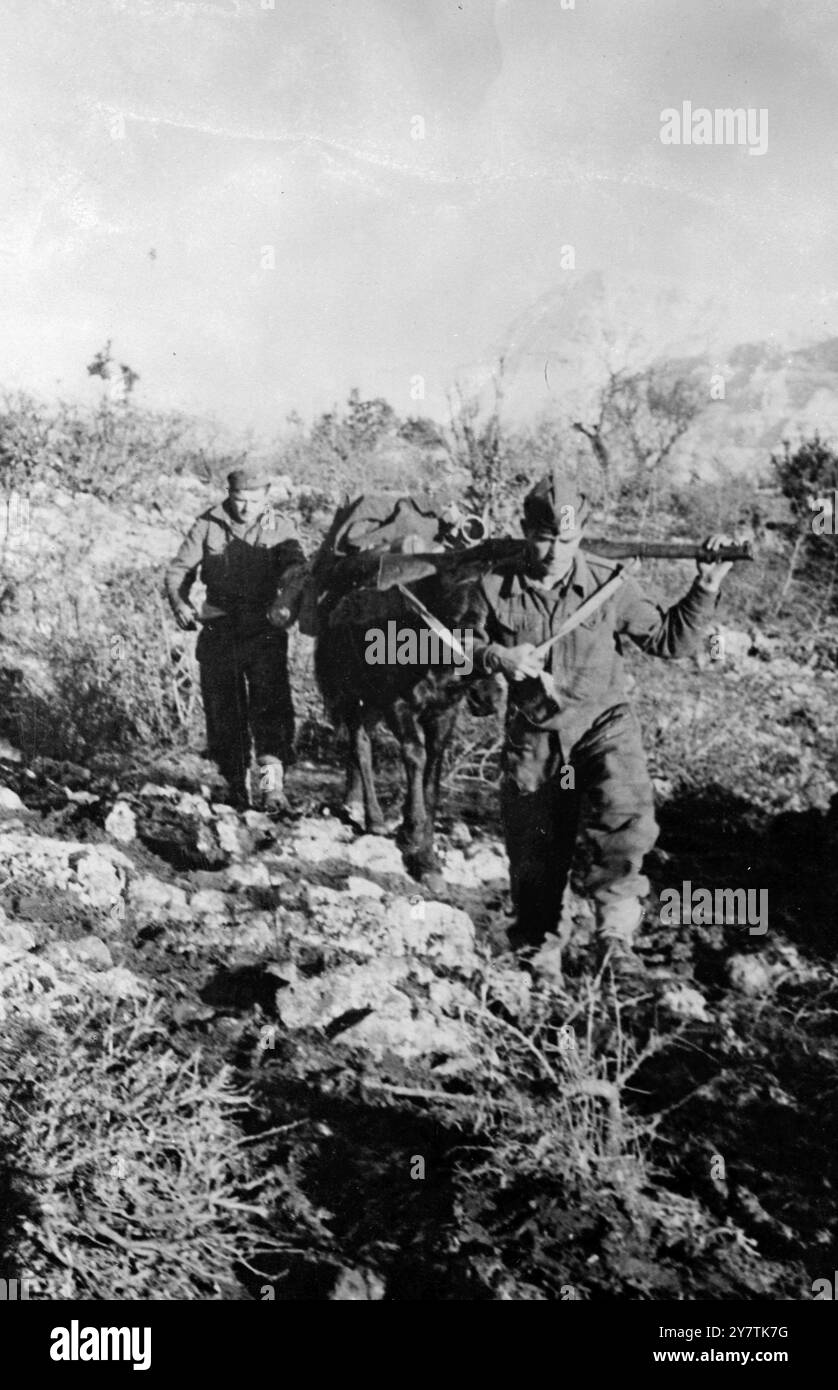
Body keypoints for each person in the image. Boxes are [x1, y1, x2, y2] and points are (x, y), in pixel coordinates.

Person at [461, 470, 733, 974]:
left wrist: (705, 586)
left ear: (580, 534)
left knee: (626, 819)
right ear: (525, 530)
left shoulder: (609, 583)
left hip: (603, 721)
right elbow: (457, 647)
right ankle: (538, 940)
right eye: (544, 539)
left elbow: (670, 641)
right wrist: (496, 656)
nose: (556, 552)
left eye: (567, 540)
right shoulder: (491, 586)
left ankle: (614, 936)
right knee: (534, 843)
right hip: (535, 732)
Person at [164, 466, 305, 811]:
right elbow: (178, 571)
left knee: (270, 710)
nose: (245, 508)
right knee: (223, 712)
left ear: (266, 496)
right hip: (219, 627)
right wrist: (180, 603)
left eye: (254, 501)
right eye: (239, 500)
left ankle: (272, 790)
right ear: (228, 494)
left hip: (264, 628)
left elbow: (297, 570)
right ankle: (235, 787)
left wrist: (286, 599)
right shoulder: (208, 523)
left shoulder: (279, 525)